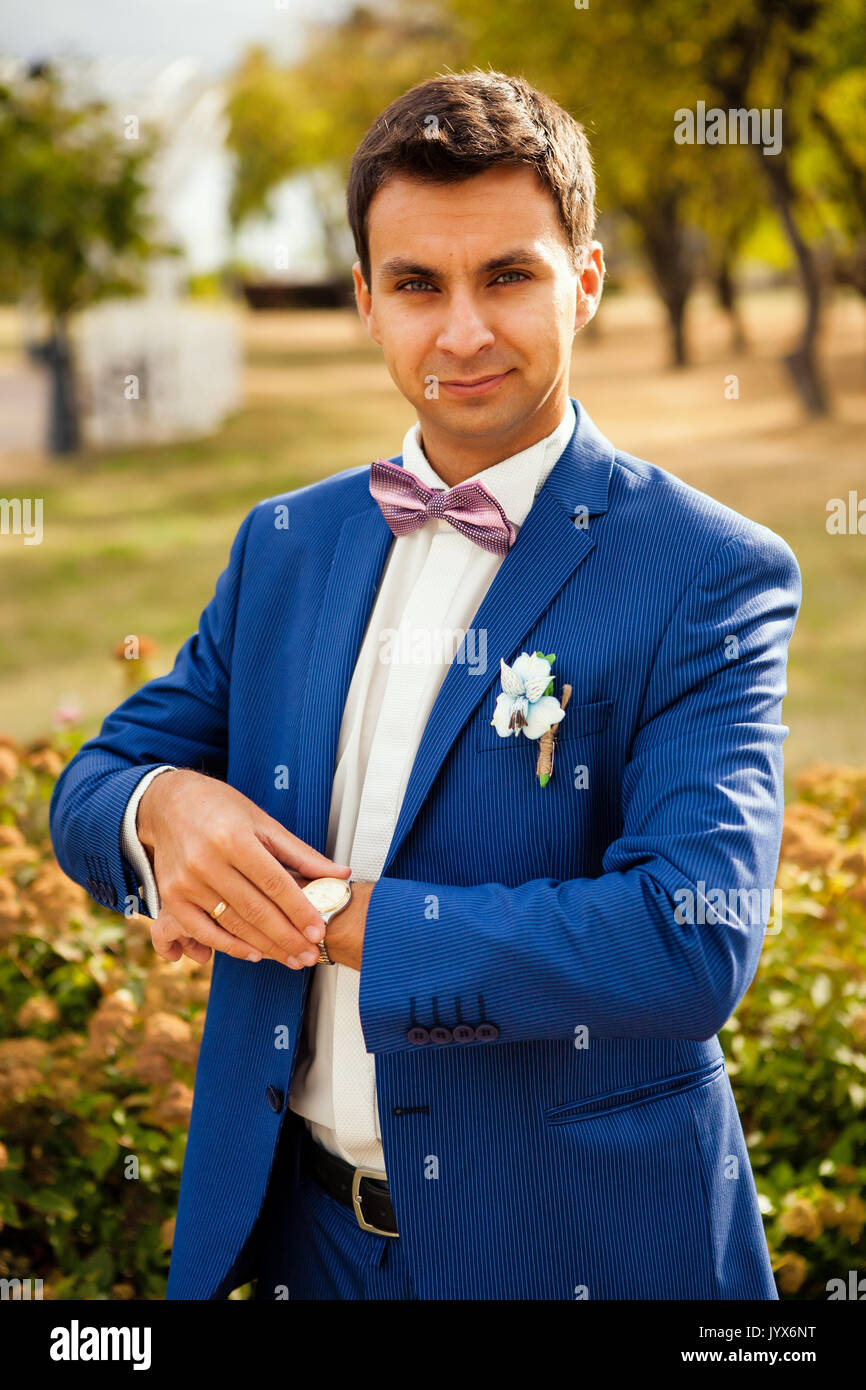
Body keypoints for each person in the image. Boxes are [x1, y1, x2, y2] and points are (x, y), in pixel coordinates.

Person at [50, 68, 801, 1300]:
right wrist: (160, 814)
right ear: (364, 299)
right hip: (299, 1239)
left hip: (568, 1251)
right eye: (415, 285)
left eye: (507, 275)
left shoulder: (708, 572)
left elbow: (688, 939)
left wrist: (328, 917)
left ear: (587, 280)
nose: (460, 332)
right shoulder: (283, 542)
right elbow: (93, 782)